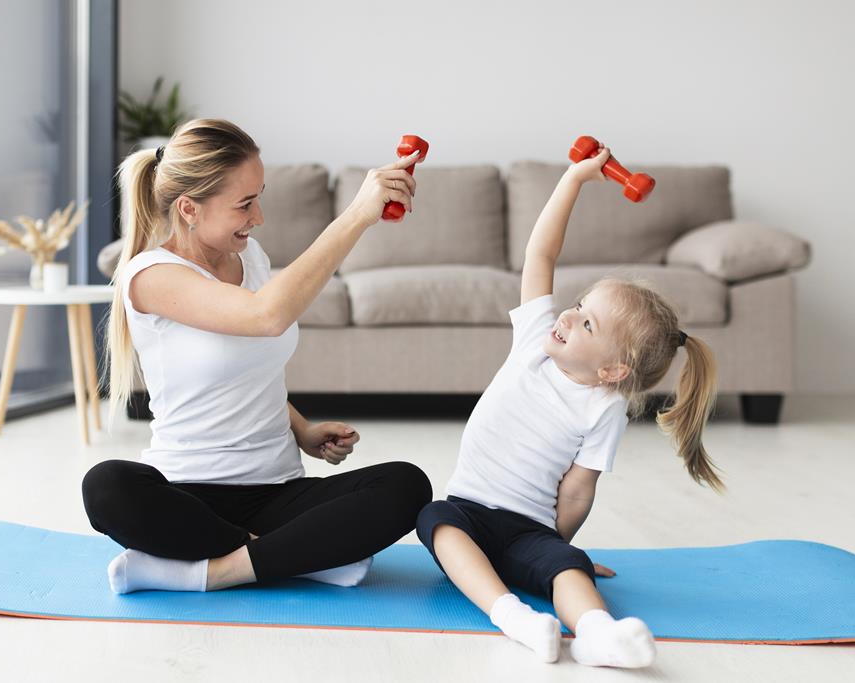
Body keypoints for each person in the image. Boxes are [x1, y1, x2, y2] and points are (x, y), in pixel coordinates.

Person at [82, 119, 432, 594]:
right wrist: (356, 216)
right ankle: (296, 556)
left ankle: (211, 569)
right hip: (190, 495)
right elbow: (265, 317)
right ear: (189, 208)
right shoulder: (151, 276)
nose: (259, 216)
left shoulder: (251, 256)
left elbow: (248, 370)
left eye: (258, 196)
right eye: (245, 204)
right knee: (106, 486)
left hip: (277, 490)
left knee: (407, 485)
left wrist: (302, 428)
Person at [416, 144, 722, 667]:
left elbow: (579, 491)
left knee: (568, 570)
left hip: (529, 529)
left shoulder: (604, 408)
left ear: (613, 371)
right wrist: (574, 181)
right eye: (579, 306)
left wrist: (556, 552)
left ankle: (599, 632)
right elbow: (541, 255)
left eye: (587, 323)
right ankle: (513, 617)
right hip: (467, 509)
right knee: (434, 519)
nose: (568, 317)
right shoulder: (536, 338)